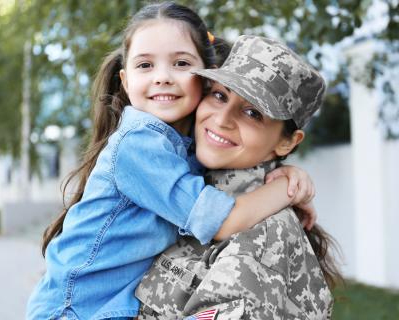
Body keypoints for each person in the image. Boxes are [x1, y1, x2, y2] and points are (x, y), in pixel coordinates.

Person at [27, 3, 317, 320]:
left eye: (180, 63)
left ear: (204, 78)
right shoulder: (139, 144)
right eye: (145, 66)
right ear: (125, 81)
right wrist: (288, 189)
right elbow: (220, 221)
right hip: (78, 310)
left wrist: (283, 170)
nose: (163, 77)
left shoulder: (183, 146)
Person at [135, 35, 342, 320]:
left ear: (287, 143)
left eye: (252, 113)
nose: (221, 119)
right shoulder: (178, 177)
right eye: (219, 95)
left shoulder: (261, 234)